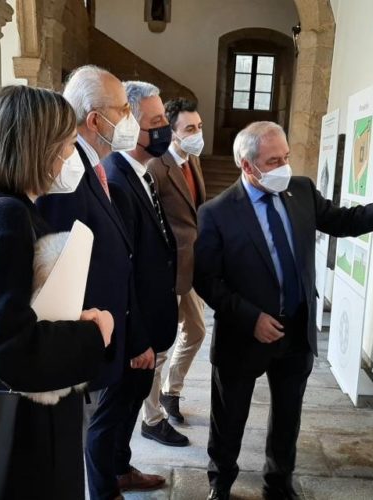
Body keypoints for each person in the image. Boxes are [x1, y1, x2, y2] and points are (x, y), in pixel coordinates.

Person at [194, 121, 373, 500]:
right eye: (274, 161)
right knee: (229, 420)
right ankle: (220, 484)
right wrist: (250, 317)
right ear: (247, 166)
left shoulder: (300, 190)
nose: (284, 166)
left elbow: (344, 221)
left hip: (296, 330)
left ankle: (278, 483)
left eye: (286, 156)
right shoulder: (216, 213)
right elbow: (206, 281)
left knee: (288, 418)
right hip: (244, 337)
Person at [0, 85, 113, 500]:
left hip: (30, 408)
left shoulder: (8, 207)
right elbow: (4, 342)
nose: (69, 154)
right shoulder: (5, 214)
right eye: (64, 143)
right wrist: (93, 332)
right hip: (20, 417)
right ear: (36, 146)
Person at [37, 66, 163, 500]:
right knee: (83, 437)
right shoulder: (65, 175)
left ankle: (110, 481)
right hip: (85, 340)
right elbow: (62, 266)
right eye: (124, 109)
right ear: (95, 120)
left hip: (108, 332)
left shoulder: (90, 169)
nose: (130, 119)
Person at [102, 80, 181, 467]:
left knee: (131, 404)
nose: (166, 127)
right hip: (134, 330)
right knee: (112, 414)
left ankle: (121, 467)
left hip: (149, 321)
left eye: (164, 117)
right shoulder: (116, 179)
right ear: (132, 126)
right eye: (157, 120)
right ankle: (105, 486)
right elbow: (122, 269)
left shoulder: (142, 172)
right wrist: (135, 341)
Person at [143, 98, 206, 444]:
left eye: (199, 127)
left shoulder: (192, 160)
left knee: (196, 332)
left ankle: (172, 390)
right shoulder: (156, 167)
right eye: (190, 129)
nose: (198, 134)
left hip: (191, 267)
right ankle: (151, 419)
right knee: (160, 348)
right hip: (167, 272)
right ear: (172, 132)